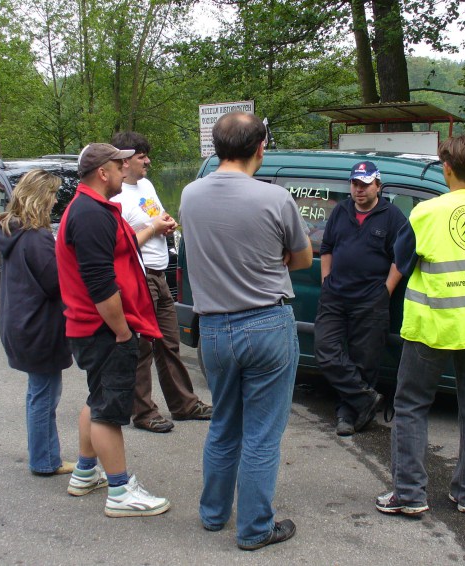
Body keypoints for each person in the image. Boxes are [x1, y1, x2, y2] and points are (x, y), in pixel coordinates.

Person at [179, 112, 312, 550]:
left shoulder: (189, 195)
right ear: (260, 148)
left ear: (217, 148)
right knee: (262, 434)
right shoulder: (275, 199)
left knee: (223, 424)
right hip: (266, 324)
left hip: (214, 328)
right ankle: (255, 528)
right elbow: (303, 258)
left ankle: (213, 514)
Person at [375, 135, 465, 516]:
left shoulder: (426, 214)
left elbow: (403, 259)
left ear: (446, 168)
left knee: (412, 405)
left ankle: (410, 494)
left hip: (432, 325)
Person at [56, 143, 170, 517]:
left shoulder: (97, 208)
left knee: (97, 398)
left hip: (98, 329)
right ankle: (121, 492)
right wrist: (122, 331)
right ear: (103, 172)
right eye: (120, 165)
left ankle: (86, 473)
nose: (126, 170)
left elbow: (118, 254)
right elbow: (99, 282)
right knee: (108, 411)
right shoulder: (90, 213)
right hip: (103, 330)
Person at [110, 131, 213, 433]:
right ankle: (143, 412)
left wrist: (164, 224)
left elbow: (155, 216)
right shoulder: (115, 197)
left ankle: (184, 404)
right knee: (142, 346)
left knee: (169, 341)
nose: (148, 161)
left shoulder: (146, 185)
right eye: (142, 157)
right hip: (137, 277)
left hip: (159, 273)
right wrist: (154, 228)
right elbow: (121, 245)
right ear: (124, 161)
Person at [314, 160, 406, 437]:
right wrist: (326, 282)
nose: (359, 190)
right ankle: (365, 397)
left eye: (365, 185)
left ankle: (347, 414)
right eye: (355, 184)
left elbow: (401, 259)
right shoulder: (340, 211)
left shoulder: (393, 216)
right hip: (335, 296)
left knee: (364, 361)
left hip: (370, 300)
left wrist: (385, 291)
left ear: (378, 185)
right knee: (326, 350)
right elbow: (327, 248)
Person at [0, 169, 75, 476]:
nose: (56, 201)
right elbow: (56, 284)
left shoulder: (12, 232)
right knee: (45, 395)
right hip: (37, 326)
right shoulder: (36, 238)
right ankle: (44, 460)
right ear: (41, 198)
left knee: (38, 392)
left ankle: (45, 456)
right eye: (53, 195)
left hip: (18, 323)